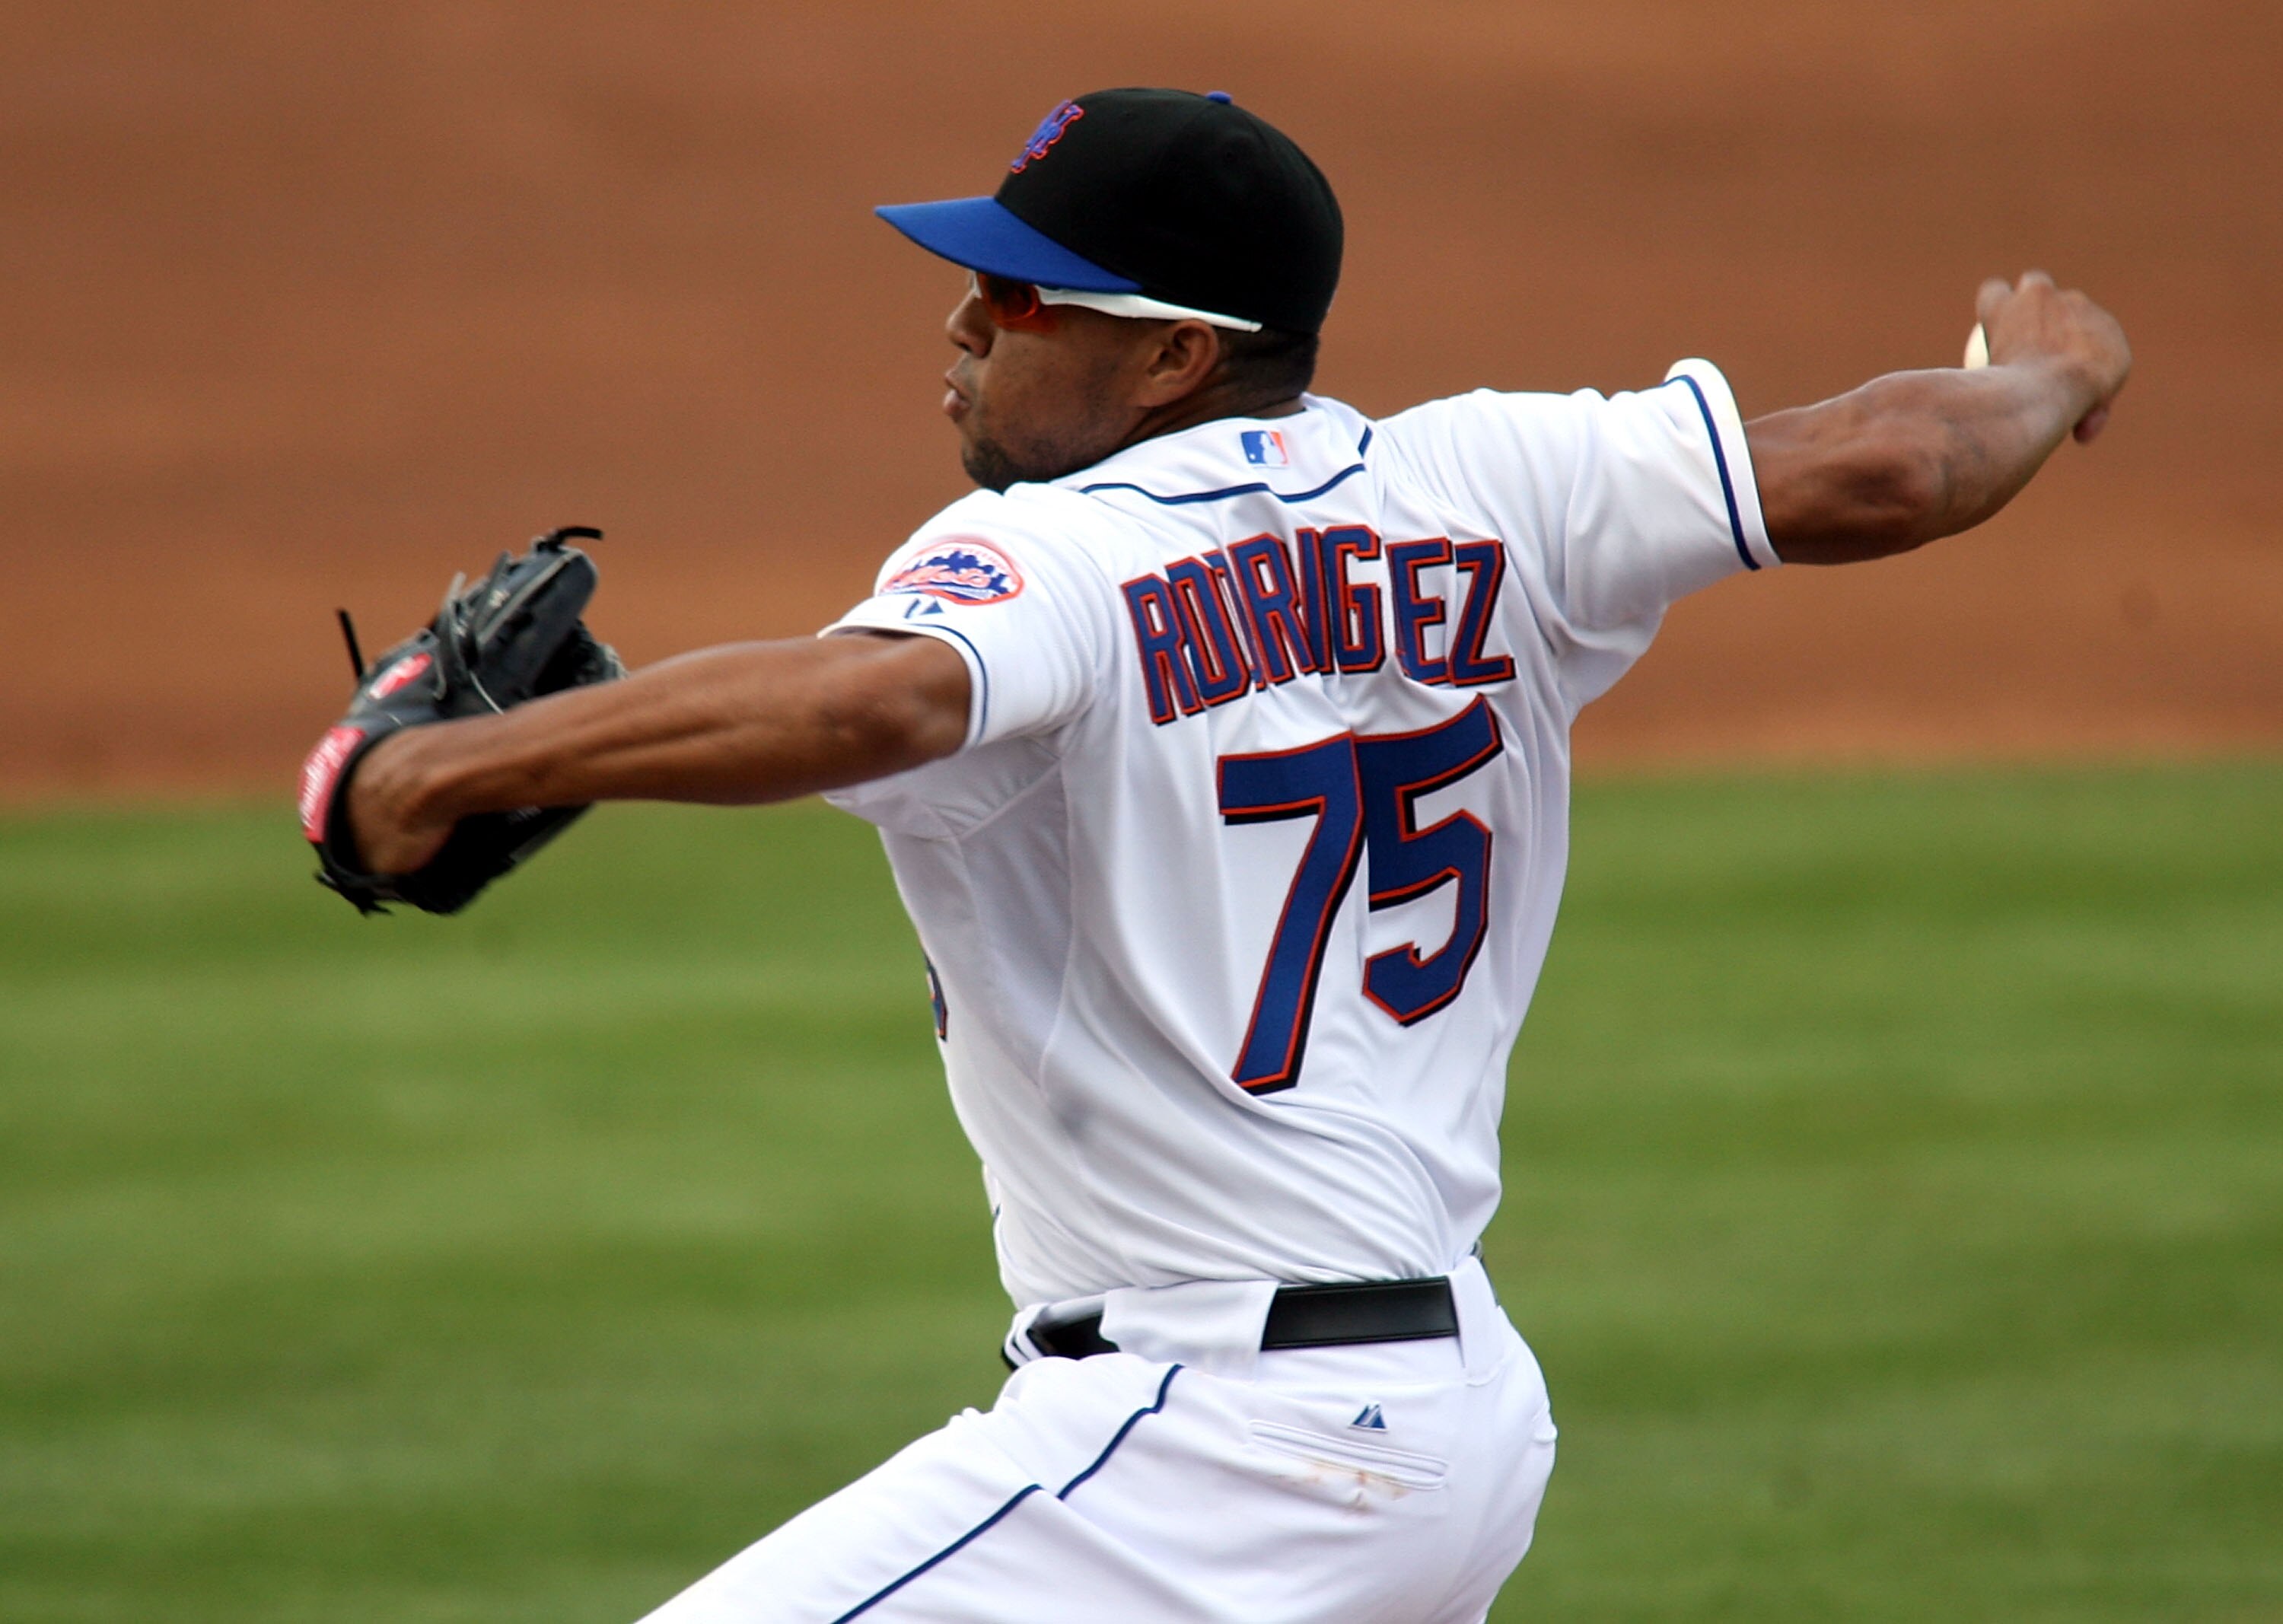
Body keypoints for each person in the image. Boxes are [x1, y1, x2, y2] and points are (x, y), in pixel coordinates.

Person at [342, 88, 2130, 1624]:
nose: (966, 324)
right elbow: (1891, 461)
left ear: (1175, 353)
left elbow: (874, 705)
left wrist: (444, 772)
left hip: (1210, 1443)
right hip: (1453, 1420)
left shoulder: (1051, 553)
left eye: (1021, 296)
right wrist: (2050, 374)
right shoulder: (1502, 480)